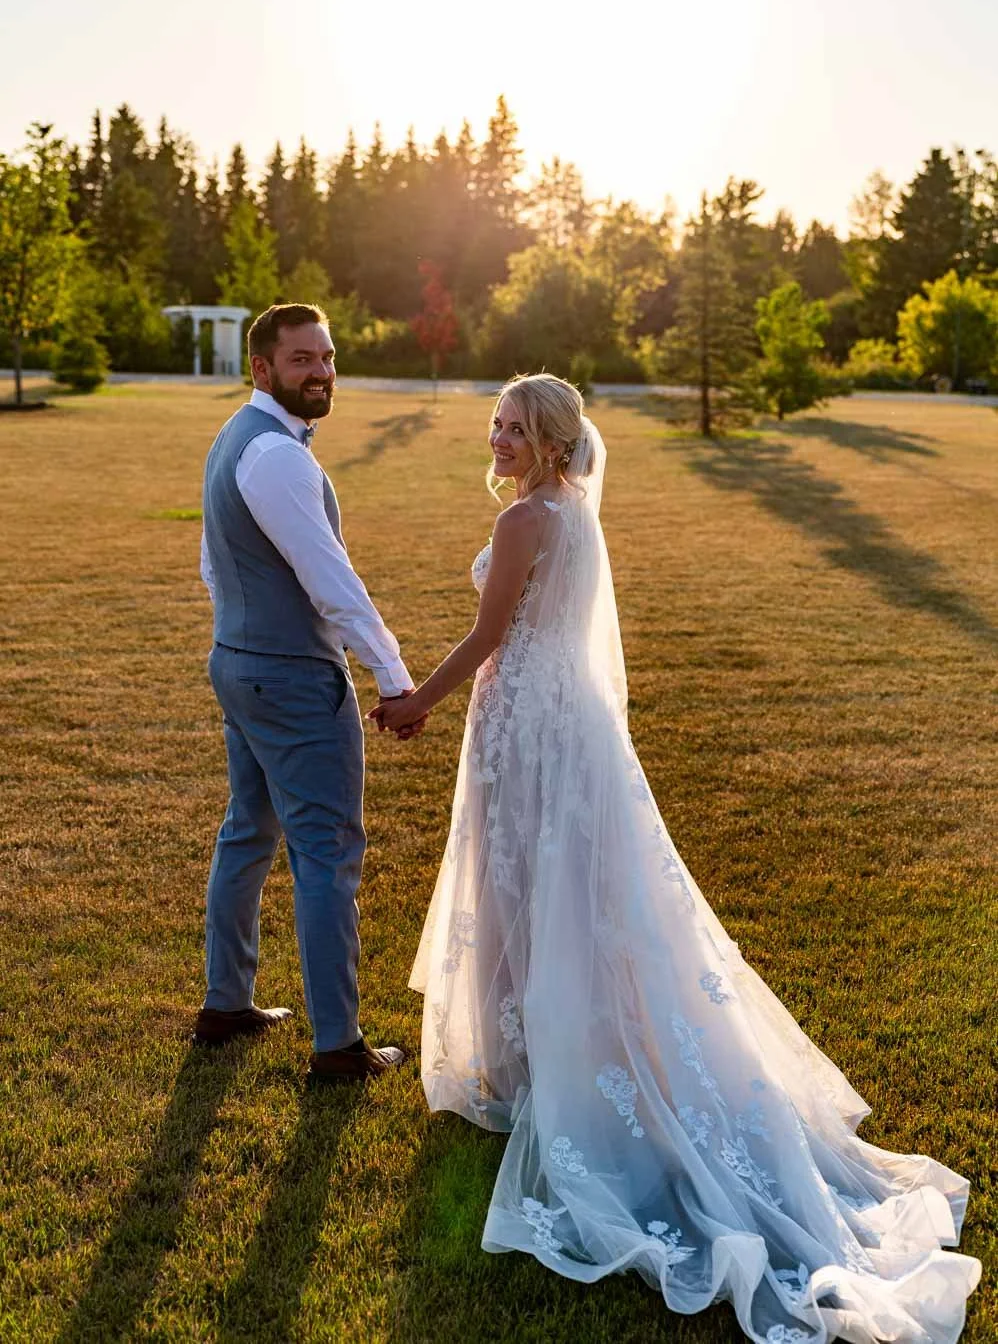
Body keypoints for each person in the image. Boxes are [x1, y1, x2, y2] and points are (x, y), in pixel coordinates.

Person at [370, 372, 981, 1344]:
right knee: (565, 895)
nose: (496, 439)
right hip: (563, 724)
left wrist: (414, 704)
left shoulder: (531, 519)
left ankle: (540, 1076)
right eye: (495, 423)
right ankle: (541, 1061)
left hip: (526, 723)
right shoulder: (572, 515)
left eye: (515, 429)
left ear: (553, 444)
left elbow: (488, 638)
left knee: (526, 890)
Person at [196, 302, 417, 1083]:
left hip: (240, 663)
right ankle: (339, 1046)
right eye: (301, 360)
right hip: (289, 676)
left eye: (326, 357)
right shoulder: (279, 458)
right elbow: (333, 583)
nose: (320, 372)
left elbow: (212, 565)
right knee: (326, 854)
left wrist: (239, 634)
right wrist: (394, 676)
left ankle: (226, 1004)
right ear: (262, 368)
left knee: (248, 833)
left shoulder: (236, 437)